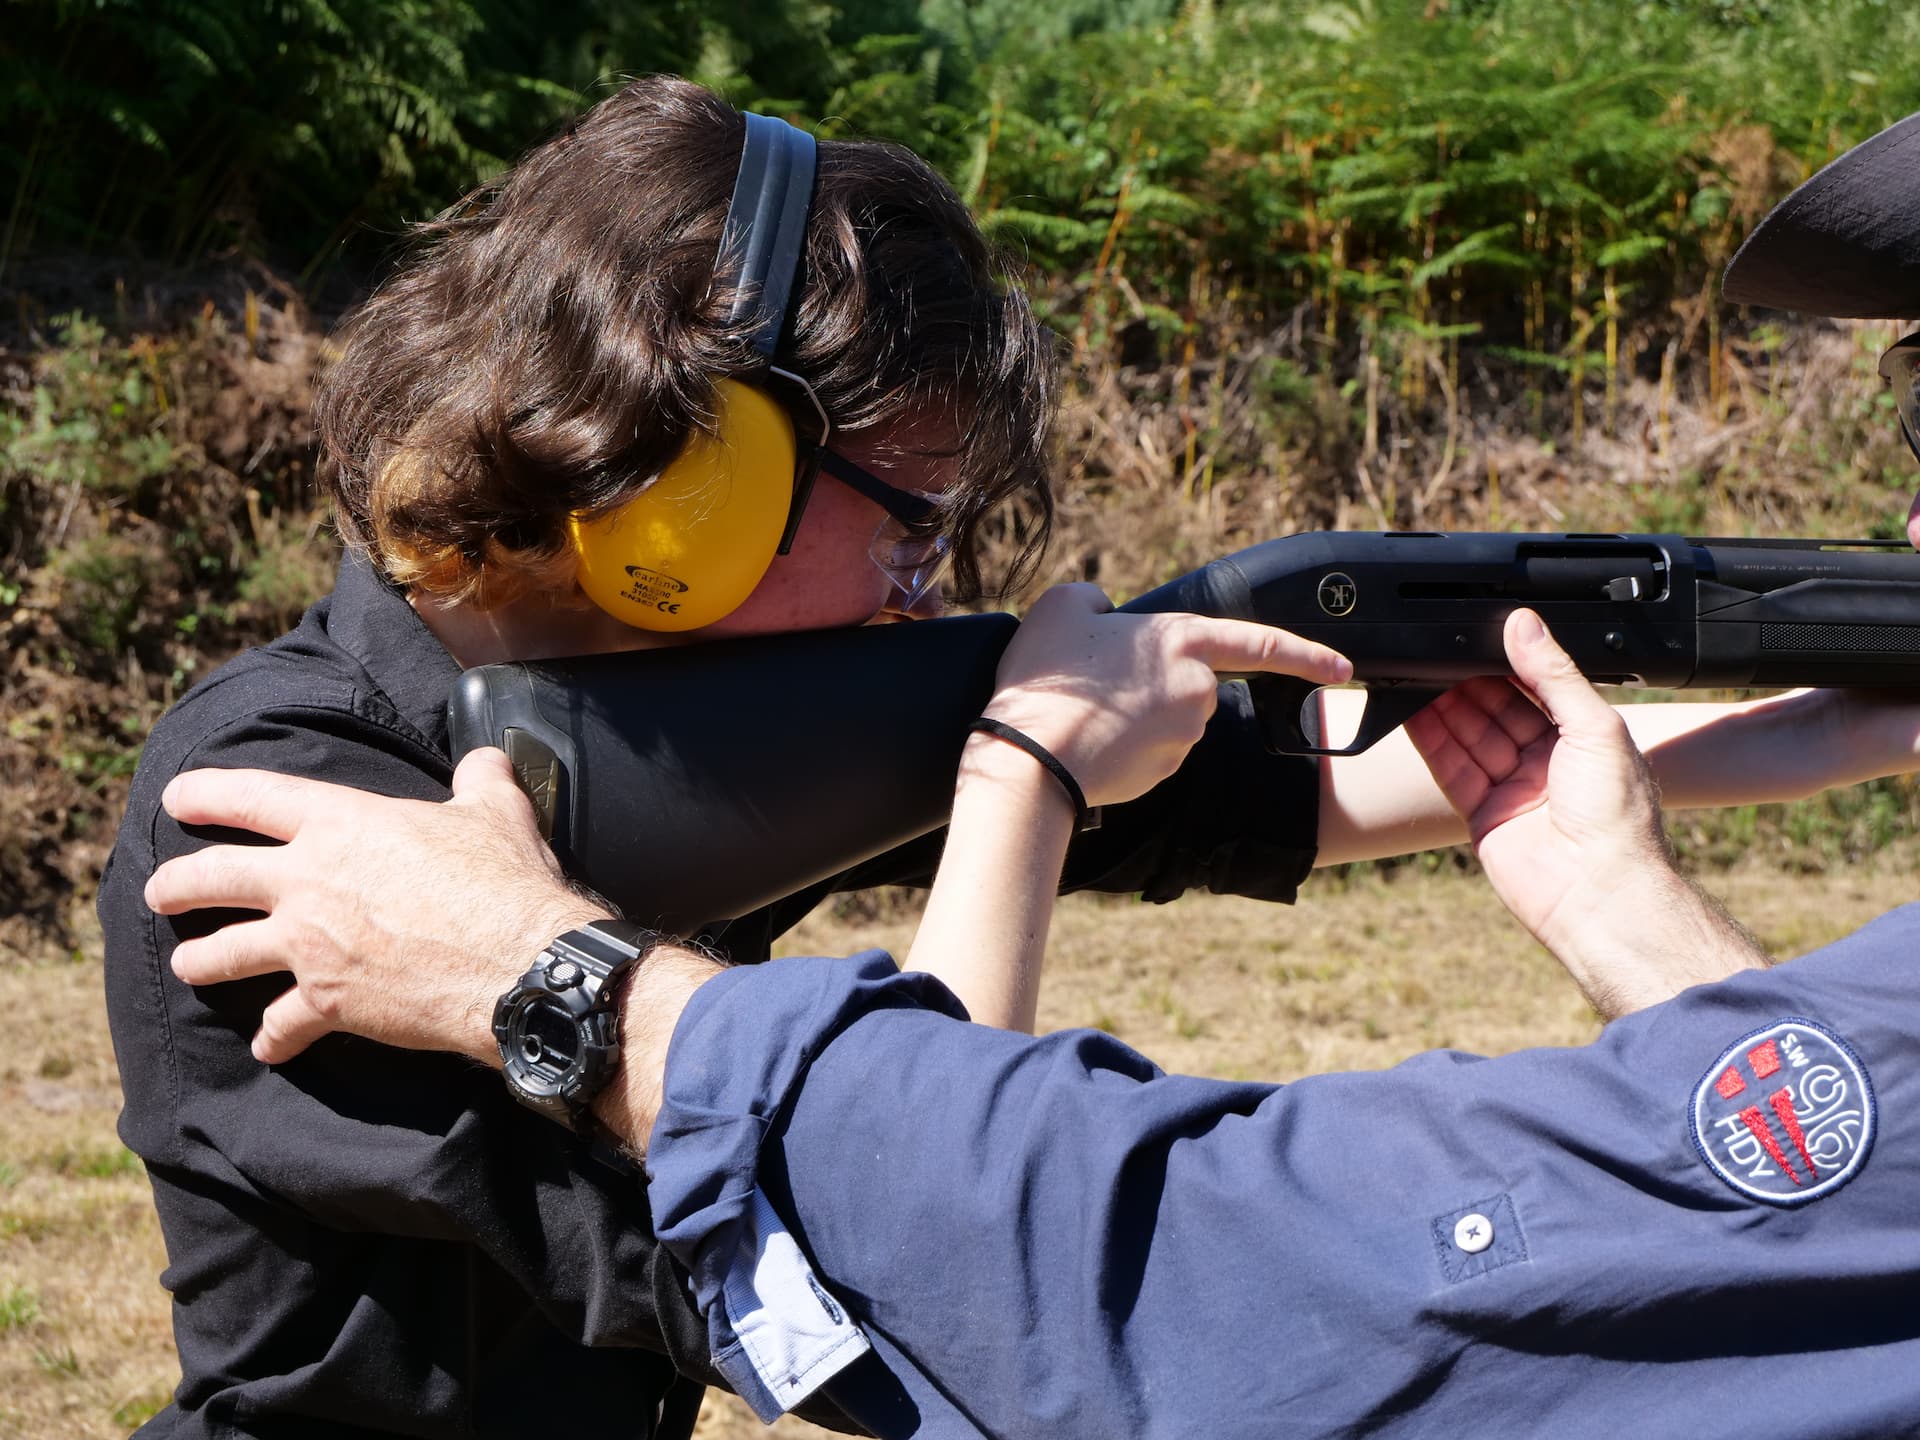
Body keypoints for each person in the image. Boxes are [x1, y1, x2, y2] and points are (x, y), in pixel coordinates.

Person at [107, 76, 1920, 1437]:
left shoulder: (687, 705)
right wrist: (1020, 777)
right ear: (692, 476)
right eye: (910, 515)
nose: (932, 576)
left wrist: (1779, 739)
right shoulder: (290, 826)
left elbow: (1280, 785)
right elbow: (900, 1257)